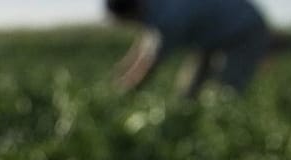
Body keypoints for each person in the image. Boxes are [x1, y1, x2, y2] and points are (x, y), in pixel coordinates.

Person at [106, 0, 270, 97]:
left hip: (244, 29)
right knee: (187, 93)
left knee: (226, 91)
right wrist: (121, 71)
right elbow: (145, 40)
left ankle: (228, 136)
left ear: (133, 12)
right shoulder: (151, 7)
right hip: (211, 35)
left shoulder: (168, 20)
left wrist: (127, 90)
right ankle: (191, 120)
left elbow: (151, 62)